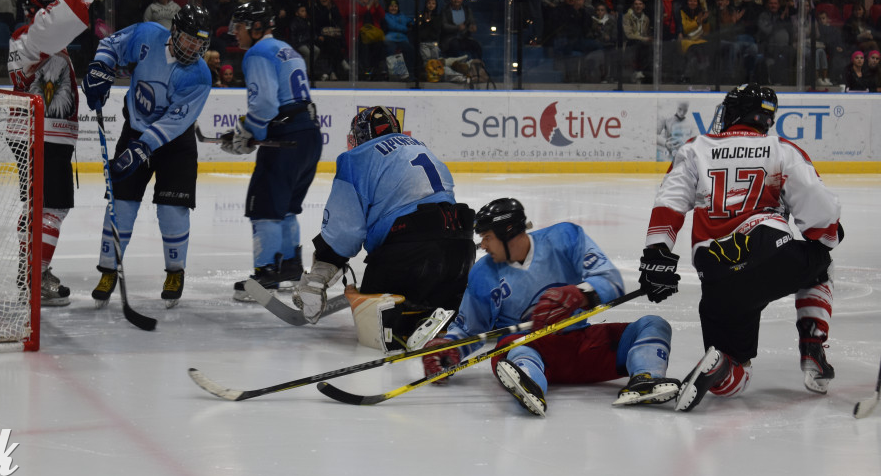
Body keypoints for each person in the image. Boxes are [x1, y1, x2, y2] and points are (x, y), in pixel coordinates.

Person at [637, 83, 842, 412]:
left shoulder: (695, 148)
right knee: (821, 263)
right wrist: (830, 235)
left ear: (734, 112)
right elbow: (821, 216)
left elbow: (669, 205)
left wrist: (656, 255)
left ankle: (719, 364)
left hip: (717, 272)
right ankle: (812, 347)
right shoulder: (782, 150)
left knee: (735, 378)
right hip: (771, 253)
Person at [422, 198, 678, 417]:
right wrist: (451, 349)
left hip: (581, 347)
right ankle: (529, 382)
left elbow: (610, 280)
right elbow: (470, 328)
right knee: (510, 346)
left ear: (508, 232)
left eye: (488, 237)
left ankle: (645, 379)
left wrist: (581, 294)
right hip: (530, 347)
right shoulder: (482, 274)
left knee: (653, 325)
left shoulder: (565, 238)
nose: (484, 246)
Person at [294, 107, 475, 349]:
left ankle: (408, 321)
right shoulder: (421, 147)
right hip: (461, 255)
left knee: (379, 318)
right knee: (438, 297)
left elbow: (343, 231)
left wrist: (319, 275)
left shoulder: (358, 157)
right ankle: (440, 317)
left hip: (410, 258)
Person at [81, 4, 214, 309]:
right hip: (135, 130)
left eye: (200, 43)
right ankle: (107, 270)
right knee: (121, 204)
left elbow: (176, 122)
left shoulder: (200, 76)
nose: (193, 47)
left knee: (172, 210)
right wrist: (102, 66)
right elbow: (111, 44)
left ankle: (175, 272)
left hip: (174, 145)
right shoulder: (147, 35)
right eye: (189, 39)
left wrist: (142, 148)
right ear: (175, 32)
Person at [7, 0, 103, 305]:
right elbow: (59, 23)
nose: (52, 9)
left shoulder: (38, 40)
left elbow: (68, 21)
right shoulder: (29, 38)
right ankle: (35, 276)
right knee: (51, 209)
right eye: (48, 5)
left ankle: (30, 270)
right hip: (42, 137)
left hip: (40, 136)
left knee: (39, 208)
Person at [218, 0, 322, 301]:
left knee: (264, 207)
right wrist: (251, 132)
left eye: (239, 26)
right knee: (286, 208)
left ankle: (266, 276)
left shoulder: (257, 53)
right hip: (309, 135)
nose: (235, 32)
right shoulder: (286, 50)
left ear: (256, 27)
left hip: (284, 139)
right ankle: (289, 267)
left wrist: (248, 134)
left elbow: (264, 106)